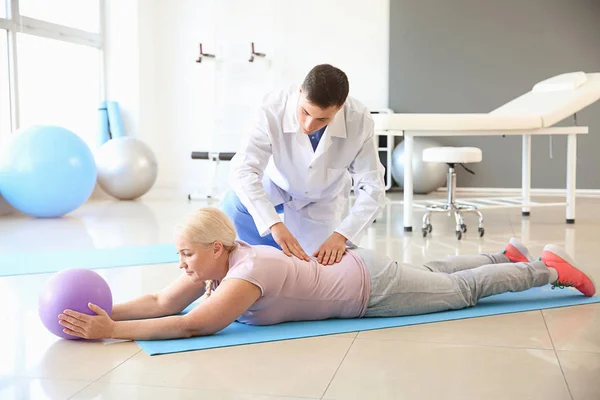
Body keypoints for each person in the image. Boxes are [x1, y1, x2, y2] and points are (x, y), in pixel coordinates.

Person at [58, 207, 596, 341]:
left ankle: (544, 271)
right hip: (363, 268)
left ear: (218, 248)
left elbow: (195, 325)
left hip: (370, 288)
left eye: (187, 255)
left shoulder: (249, 270)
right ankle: (505, 256)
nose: (183, 265)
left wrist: (114, 334)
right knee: (432, 269)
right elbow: (161, 302)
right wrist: (106, 314)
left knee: (457, 291)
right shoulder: (219, 262)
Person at [221, 64, 386, 266]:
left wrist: (342, 235)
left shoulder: (359, 120)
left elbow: (373, 188)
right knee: (235, 203)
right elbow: (243, 170)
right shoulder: (272, 108)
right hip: (278, 184)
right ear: (300, 91)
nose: (309, 125)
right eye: (305, 112)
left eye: (322, 119)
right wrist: (273, 224)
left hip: (323, 197)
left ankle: (279, 263)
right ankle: (263, 261)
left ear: (340, 107)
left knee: (312, 268)